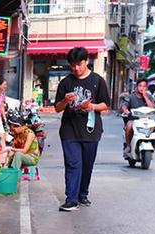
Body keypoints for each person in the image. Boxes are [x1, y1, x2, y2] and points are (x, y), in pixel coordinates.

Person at [54, 47, 110, 211]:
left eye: (79, 64)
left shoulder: (97, 81)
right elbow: (57, 108)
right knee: (73, 164)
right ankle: (71, 199)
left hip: (91, 130)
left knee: (87, 165)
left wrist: (92, 106)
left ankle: (82, 194)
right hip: (69, 130)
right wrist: (65, 101)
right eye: (72, 65)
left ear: (86, 61)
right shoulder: (66, 82)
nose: (76, 68)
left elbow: (105, 104)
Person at [121, 78, 155, 154]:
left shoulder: (149, 97)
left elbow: (152, 107)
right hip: (133, 119)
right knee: (129, 125)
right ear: (136, 87)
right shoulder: (130, 97)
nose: (142, 88)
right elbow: (124, 106)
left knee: (154, 125)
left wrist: (145, 96)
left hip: (145, 120)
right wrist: (127, 112)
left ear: (146, 87)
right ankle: (128, 146)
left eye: (144, 86)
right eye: (140, 86)